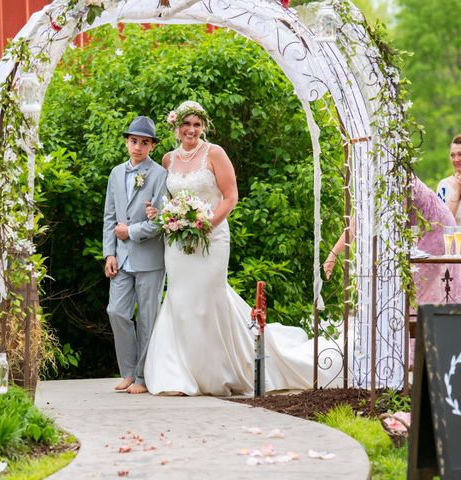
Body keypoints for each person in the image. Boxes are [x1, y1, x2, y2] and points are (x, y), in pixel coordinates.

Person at [144, 101, 341, 396]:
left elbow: (230, 196)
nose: (192, 130)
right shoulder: (168, 159)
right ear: (176, 126)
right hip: (178, 241)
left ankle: (221, 370)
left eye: (198, 125)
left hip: (211, 238)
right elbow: (167, 199)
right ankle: (179, 371)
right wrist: (165, 216)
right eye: (187, 125)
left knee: (209, 297)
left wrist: (207, 223)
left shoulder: (215, 154)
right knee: (180, 299)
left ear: (204, 127)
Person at [103, 116, 168, 394]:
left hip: (150, 259)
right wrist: (109, 253)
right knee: (116, 311)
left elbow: (161, 220)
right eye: (133, 141)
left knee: (147, 318)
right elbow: (109, 217)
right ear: (126, 142)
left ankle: (143, 377)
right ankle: (128, 372)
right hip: (121, 258)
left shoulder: (160, 175)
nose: (137, 147)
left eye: (144, 142)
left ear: (152, 146)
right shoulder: (116, 173)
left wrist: (130, 231)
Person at [324, 175, 461, 305]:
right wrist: (333, 254)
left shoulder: (397, 177)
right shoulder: (374, 182)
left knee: (415, 289)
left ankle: (420, 326)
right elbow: (356, 223)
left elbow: (392, 228)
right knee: (407, 287)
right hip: (420, 232)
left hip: (437, 230)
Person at [436, 134, 461, 224]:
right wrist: (458, 191)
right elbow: (442, 223)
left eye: (460, 154)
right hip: (452, 238)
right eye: (452, 155)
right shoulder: (444, 186)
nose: (456, 159)